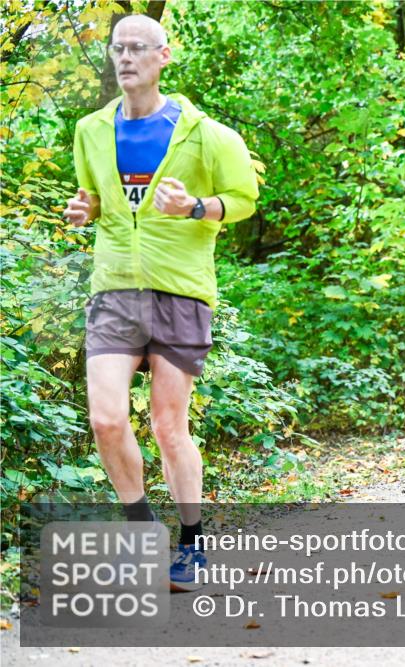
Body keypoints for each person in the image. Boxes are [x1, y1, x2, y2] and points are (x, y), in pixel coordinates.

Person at [64, 15, 259, 591]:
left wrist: (196, 207)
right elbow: (94, 197)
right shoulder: (91, 129)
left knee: (169, 425)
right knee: (105, 418)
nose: (125, 58)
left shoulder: (207, 133)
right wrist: (86, 211)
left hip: (181, 289)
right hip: (115, 288)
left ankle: (193, 543)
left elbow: (242, 200)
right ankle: (142, 531)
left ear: (163, 55)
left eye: (137, 49)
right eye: (117, 49)